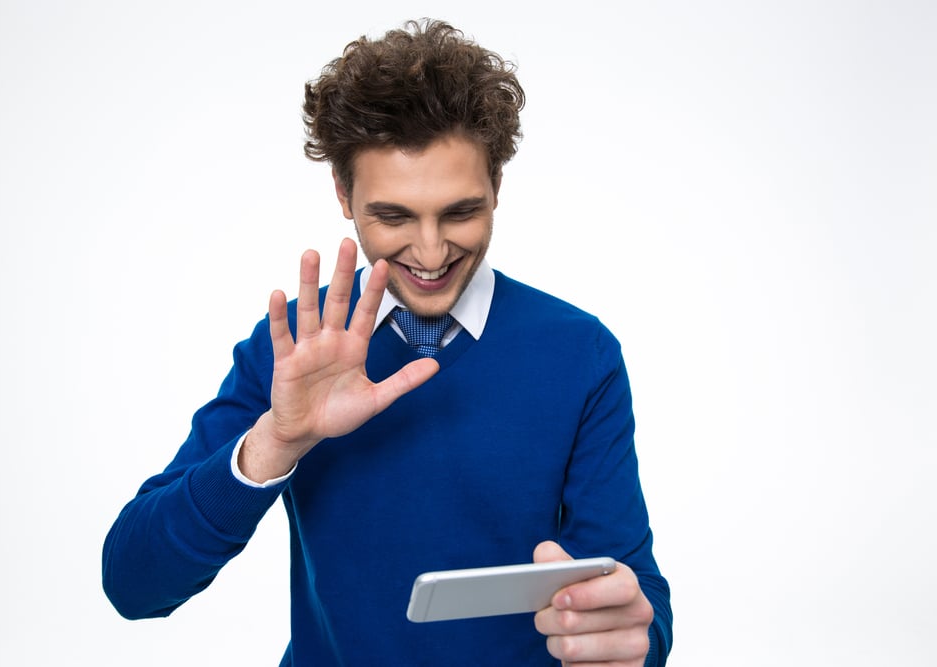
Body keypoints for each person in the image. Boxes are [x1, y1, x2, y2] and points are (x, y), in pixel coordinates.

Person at [103, 18, 672, 666]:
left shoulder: (579, 354)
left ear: (497, 188)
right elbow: (132, 582)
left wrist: (629, 639)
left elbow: (634, 595)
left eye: (460, 210)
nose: (431, 252)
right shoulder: (294, 349)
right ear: (344, 195)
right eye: (394, 215)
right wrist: (276, 442)